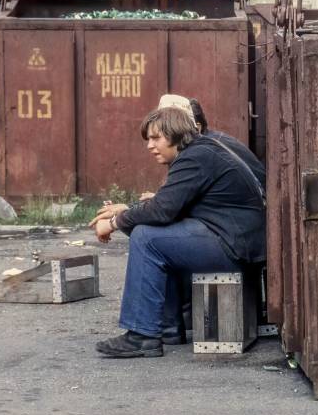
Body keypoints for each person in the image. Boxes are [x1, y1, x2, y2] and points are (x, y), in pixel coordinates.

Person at [91, 105, 265, 358]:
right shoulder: (200, 152)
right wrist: (130, 213)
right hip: (233, 239)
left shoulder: (196, 157)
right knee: (156, 236)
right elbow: (169, 206)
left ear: (175, 134)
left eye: (155, 138)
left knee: (146, 238)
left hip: (234, 246)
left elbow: (162, 210)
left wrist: (115, 222)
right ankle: (167, 328)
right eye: (147, 139)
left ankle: (142, 336)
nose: (149, 146)